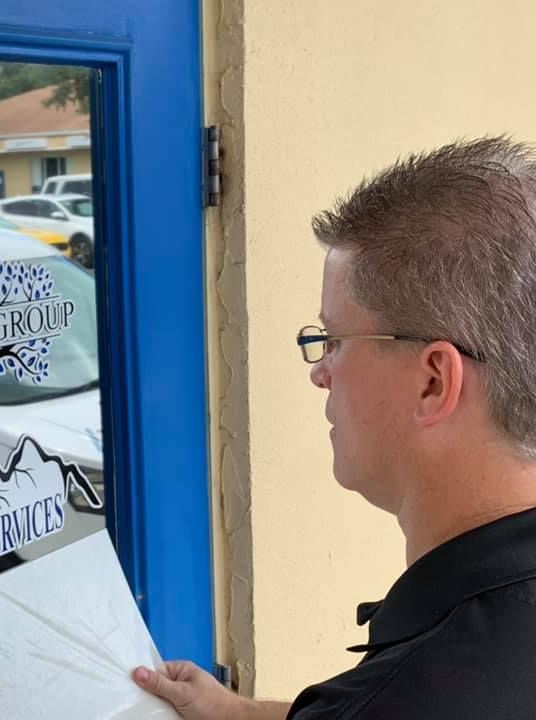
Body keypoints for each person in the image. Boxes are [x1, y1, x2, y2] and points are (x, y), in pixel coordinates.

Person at [133, 136, 536, 719]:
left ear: (433, 382)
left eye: (336, 340)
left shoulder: (414, 692)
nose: (320, 372)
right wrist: (238, 714)